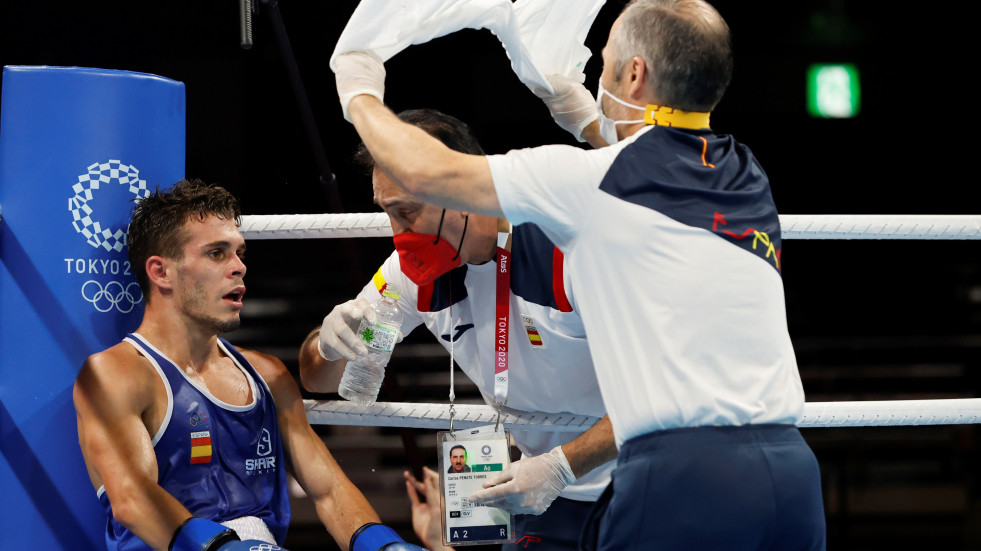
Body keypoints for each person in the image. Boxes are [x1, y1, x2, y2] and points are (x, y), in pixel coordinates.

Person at [330, 0, 827, 549]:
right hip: (791, 471)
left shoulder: (579, 182)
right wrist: (583, 116)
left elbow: (427, 171)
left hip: (682, 471)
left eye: (607, 60)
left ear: (634, 74)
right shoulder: (744, 174)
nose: (597, 72)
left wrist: (359, 87)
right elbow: (643, 164)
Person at [299, 108, 618, 551]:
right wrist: (327, 346)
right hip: (544, 496)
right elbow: (317, 381)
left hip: (646, 479)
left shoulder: (571, 247)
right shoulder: (411, 274)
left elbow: (664, 391)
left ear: (463, 187)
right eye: (388, 213)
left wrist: (561, 465)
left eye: (407, 212)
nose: (398, 233)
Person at [72, 179, 424, 551]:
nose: (239, 266)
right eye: (216, 253)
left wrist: (385, 546)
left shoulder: (267, 375)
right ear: (161, 272)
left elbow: (329, 490)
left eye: (240, 252)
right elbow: (132, 498)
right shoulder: (116, 374)